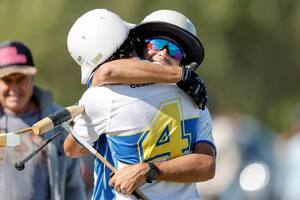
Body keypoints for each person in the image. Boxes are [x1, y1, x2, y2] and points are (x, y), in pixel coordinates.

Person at [64, 9, 215, 200]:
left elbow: (71, 149)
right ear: (141, 46)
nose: (163, 53)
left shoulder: (103, 96)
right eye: (157, 44)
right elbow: (207, 166)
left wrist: (149, 170)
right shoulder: (195, 98)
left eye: (174, 50)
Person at [0, 40, 86, 200]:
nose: (14, 89)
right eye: (7, 80)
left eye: (20, 79)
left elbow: (72, 185)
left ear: (32, 78)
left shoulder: (57, 119)